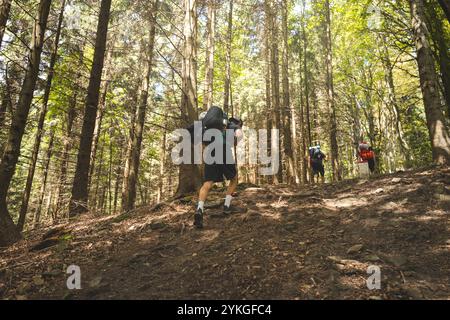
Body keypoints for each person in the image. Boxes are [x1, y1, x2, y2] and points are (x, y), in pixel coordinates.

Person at [194, 107, 244, 229]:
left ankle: (199, 209)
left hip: (210, 152)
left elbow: (204, 144)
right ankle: (227, 206)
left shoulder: (206, 128)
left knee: (207, 183)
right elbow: (237, 136)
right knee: (233, 179)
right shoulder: (230, 125)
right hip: (223, 150)